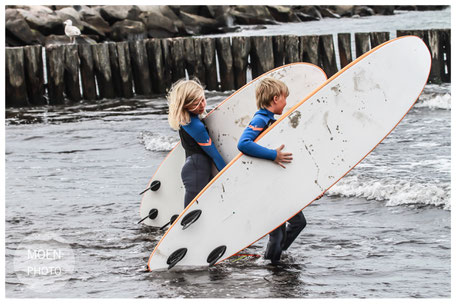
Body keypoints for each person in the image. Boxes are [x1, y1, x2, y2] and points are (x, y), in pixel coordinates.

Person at [237, 77, 307, 265]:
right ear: (276, 99)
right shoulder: (260, 119)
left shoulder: (271, 121)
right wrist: (272, 155)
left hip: (275, 184)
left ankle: (272, 258)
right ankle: (272, 267)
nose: (286, 102)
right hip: (265, 187)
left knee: (298, 222)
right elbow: (243, 144)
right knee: (277, 234)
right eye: (285, 98)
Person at [167, 78, 226, 208]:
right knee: (190, 215)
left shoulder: (188, 120)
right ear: (184, 106)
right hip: (196, 172)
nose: (202, 106)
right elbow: (214, 154)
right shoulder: (194, 125)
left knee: (201, 211)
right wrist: (228, 175)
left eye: (203, 100)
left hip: (197, 169)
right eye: (195, 104)